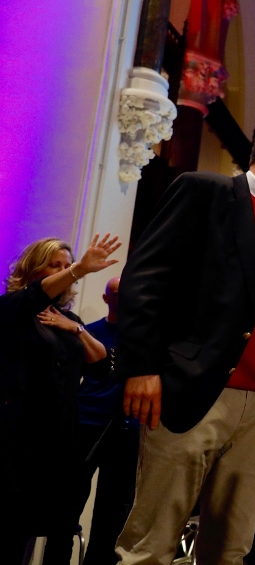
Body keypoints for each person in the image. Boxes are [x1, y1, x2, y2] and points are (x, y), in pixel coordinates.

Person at [115, 116, 255, 565]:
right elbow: (144, 280)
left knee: (229, 553)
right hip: (195, 393)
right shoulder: (204, 192)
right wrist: (142, 368)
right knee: (149, 549)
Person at [0, 234, 120, 564]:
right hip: (16, 440)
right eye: (55, 266)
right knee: (8, 530)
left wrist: (76, 330)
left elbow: (104, 366)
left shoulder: (70, 321)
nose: (65, 272)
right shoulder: (13, 309)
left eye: (67, 266)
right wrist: (80, 268)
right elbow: (33, 296)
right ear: (33, 270)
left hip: (56, 442)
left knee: (46, 527)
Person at [44, 277, 140, 565]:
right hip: (86, 424)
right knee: (66, 508)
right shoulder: (90, 331)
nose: (124, 298)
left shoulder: (141, 339)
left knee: (112, 515)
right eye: (117, 293)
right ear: (106, 298)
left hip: (125, 429)